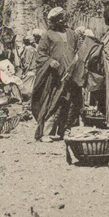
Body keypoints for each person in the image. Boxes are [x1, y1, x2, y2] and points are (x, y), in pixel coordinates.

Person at [31, 7, 82, 141]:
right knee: (53, 102)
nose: (62, 20)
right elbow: (40, 55)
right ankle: (46, 133)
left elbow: (77, 51)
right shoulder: (48, 35)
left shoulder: (72, 34)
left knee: (69, 103)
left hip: (70, 75)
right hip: (55, 77)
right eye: (59, 18)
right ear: (53, 21)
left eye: (63, 17)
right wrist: (50, 61)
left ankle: (65, 130)